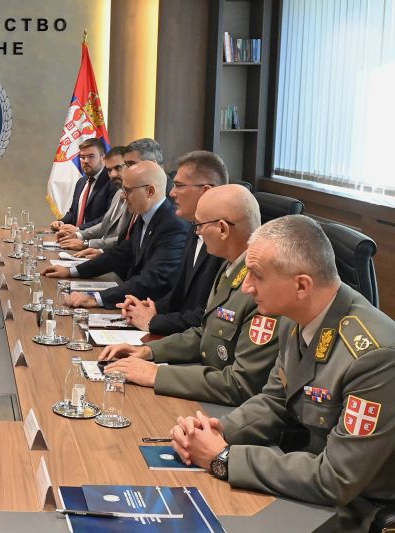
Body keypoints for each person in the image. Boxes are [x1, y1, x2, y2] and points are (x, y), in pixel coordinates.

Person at [169, 215, 395, 531]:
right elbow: (275, 400)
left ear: (301, 285)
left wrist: (225, 458)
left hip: (357, 508)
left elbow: (336, 479)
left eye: (257, 276)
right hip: (303, 480)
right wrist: (217, 431)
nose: (246, 287)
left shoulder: (375, 356)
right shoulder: (294, 317)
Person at [100, 185, 279, 405]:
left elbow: (242, 385)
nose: (197, 232)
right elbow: (206, 333)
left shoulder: (261, 286)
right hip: (206, 382)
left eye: (199, 225)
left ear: (222, 229)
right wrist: (148, 351)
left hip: (227, 402)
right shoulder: (230, 267)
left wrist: (157, 374)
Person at [42, 160, 188, 309]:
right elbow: (121, 254)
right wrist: (72, 271)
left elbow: (153, 280)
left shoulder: (173, 225)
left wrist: (96, 299)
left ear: (150, 191)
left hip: (154, 310)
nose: (123, 196)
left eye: (128, 190)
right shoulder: (145, 215)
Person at [119, 150, 228, 335]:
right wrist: (150, 307)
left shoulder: (224, 242)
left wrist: (154, 321)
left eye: (179, 186)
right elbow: (180, 294)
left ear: (206, 191)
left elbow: (208, 316)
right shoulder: (194, 229)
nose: (172, 193)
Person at [59, 138, 165, 256]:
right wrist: (79, 235)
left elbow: (126, 241)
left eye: (128, 165)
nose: (113, 174)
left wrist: (87, 244)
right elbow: (107, 226)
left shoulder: (158, 201)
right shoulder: (120, 193)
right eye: (109, 170)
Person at [50, 137, 118, 232]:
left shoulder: (113, 182)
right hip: (74, 237)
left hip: (96, 238)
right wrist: (61, 222)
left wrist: (79, 229)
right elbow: (73, 212)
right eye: (82, 157)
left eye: (91, 156)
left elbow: (108, 218)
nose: (85, 161)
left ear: (103, 158)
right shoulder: (81, 182)